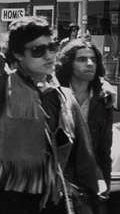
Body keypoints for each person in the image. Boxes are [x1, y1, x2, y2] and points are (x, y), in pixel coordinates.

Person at [0, 0, 105, 214]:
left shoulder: (64, 97)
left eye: (52, 47)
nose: (48, 55)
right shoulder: (3, 88)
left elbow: (84, 159)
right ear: (19, 55)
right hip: (9, 202)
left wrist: (93, 198)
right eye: (38, 51)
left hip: (55, 201)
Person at [56, 39, 113, 213]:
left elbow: (104, 150)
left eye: (93, 60)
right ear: (68, 63)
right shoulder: (56, 95)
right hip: (60, 181)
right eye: (81, 59)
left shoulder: (103, 100)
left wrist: (105, 188)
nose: (89, 64)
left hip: (90, 182)